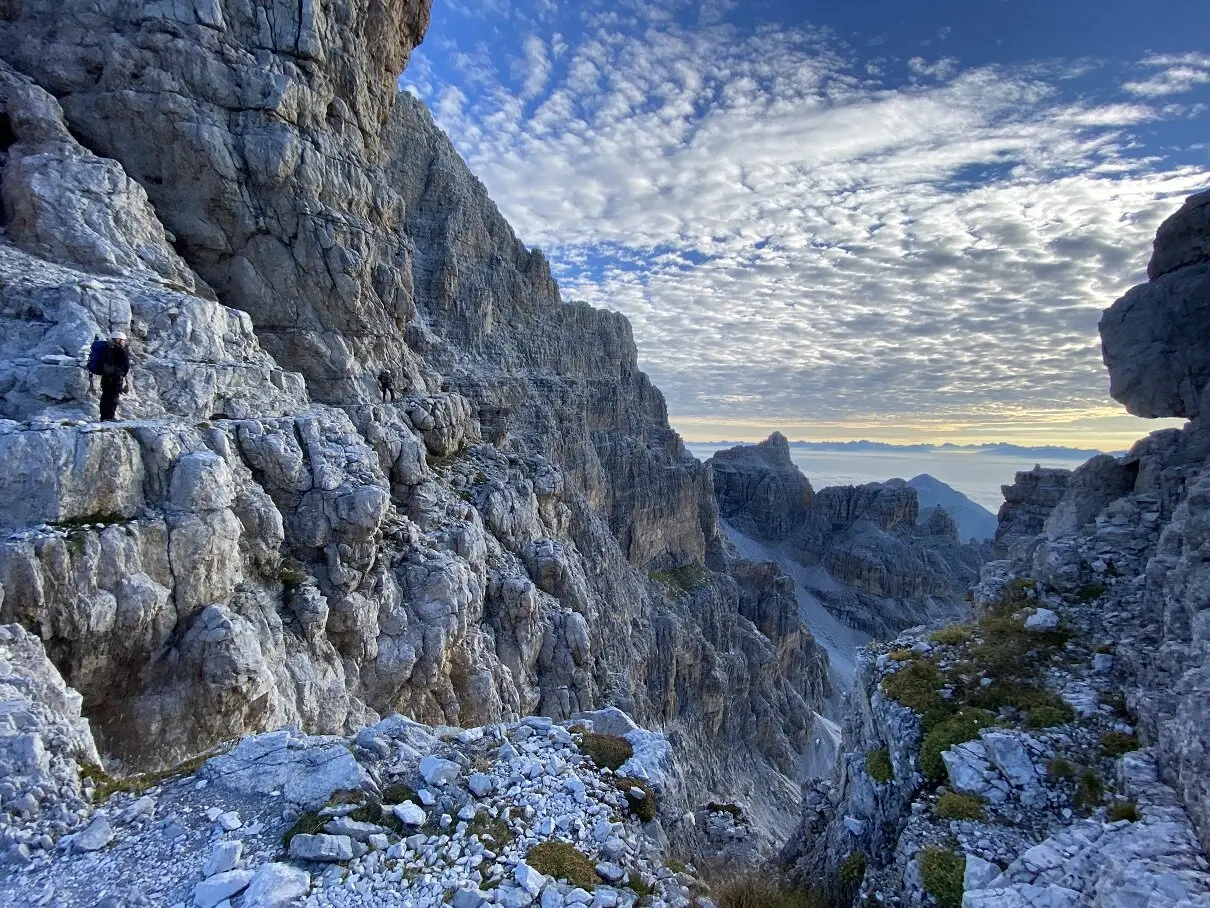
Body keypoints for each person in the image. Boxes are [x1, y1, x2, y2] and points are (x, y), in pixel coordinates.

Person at [97, 331, 131, 422]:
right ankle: (109, 417)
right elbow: (126, 365)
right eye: (122, 340)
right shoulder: (120, 350)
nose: (124, 342)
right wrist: (123, 374)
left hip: (105, 377)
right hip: (115, 377)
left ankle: (104, 416)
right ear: (118, 340)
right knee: (113, 397)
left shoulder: (106, 349)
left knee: (105, 396)